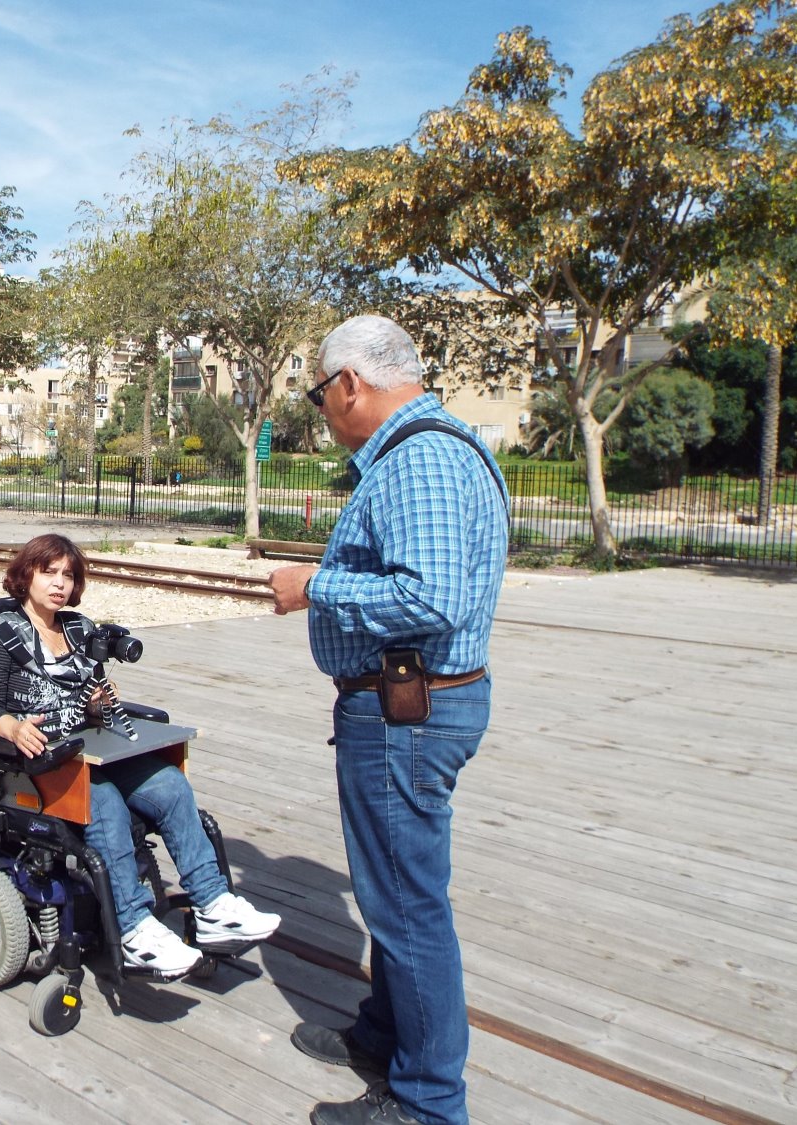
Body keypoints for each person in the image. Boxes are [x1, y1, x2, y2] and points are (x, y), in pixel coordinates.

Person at [269, 316, 507, 1125]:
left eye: (320, 393)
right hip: (412, 706)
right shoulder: (435, 447)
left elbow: (430, 598)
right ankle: (387, 1033)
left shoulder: (421, 459)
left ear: (349, 385)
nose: (325, 412)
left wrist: (314, 586)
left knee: (408, 908)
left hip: (407, 712)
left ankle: (429, 1102)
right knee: (393, 893)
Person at [0, 532, 281, 978]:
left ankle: (213, 905)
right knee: (106, 804)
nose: (59, 583)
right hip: (36, 760)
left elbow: (85, 697)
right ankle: (135, 929)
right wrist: (14, 727)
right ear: (25, 575)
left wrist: (96, 703)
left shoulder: (78, 628)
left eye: (68, 575)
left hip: (92, 749)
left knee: (171, 784)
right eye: (49, 572)